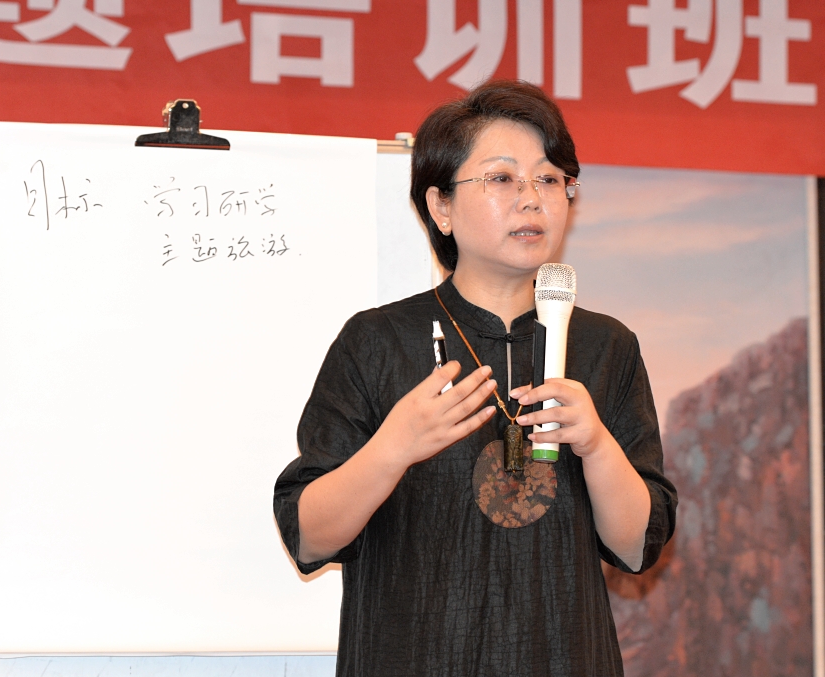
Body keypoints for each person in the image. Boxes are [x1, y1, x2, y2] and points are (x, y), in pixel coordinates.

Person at [273, 79, 677, 676]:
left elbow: (637, 546)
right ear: (440, 206)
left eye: (549, 179)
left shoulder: (604, 346)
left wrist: (596, 445)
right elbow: (309, 536)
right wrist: (394, 447)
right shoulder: (378, 341)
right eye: (502, 178)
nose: (532, 199)